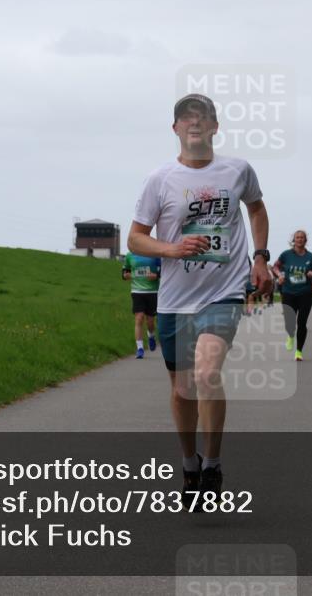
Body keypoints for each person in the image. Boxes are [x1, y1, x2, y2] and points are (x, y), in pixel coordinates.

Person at [128, 93, 271, 508]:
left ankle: (212, 464)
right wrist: (171, 249)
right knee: (183, 389)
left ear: (214, 127)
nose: (194, 123)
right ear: (175, 128)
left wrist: (260, 257)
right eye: (186, 118)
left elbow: (257, 209)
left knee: (207, 373)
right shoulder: (159, 180)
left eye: (202, 117)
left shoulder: (238, 170)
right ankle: (189, 462)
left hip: (224, 291)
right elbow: (135, 237)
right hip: (175, 299)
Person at [272, 230, 312, 361]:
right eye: (297, 237)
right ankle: (290, 336)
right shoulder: (286, 255)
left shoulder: (311, 257)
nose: (299, 239)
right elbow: (275, 267)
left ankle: (299, 351)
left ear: (305, 240)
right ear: (293, 240)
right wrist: (279, 275)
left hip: (305, 294)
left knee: (302, 323)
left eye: (302, 237)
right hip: (288, 292)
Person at [121, 251, 160, 358]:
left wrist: (156, 275)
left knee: (150, 321)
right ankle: (140, 348)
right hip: (137, 291)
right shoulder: (130, 255)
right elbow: (125, 271)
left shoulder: (154, 253)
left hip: (152, 291)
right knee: (139, 318)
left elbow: (162, 271)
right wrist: (126, 275)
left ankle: (151, 335)